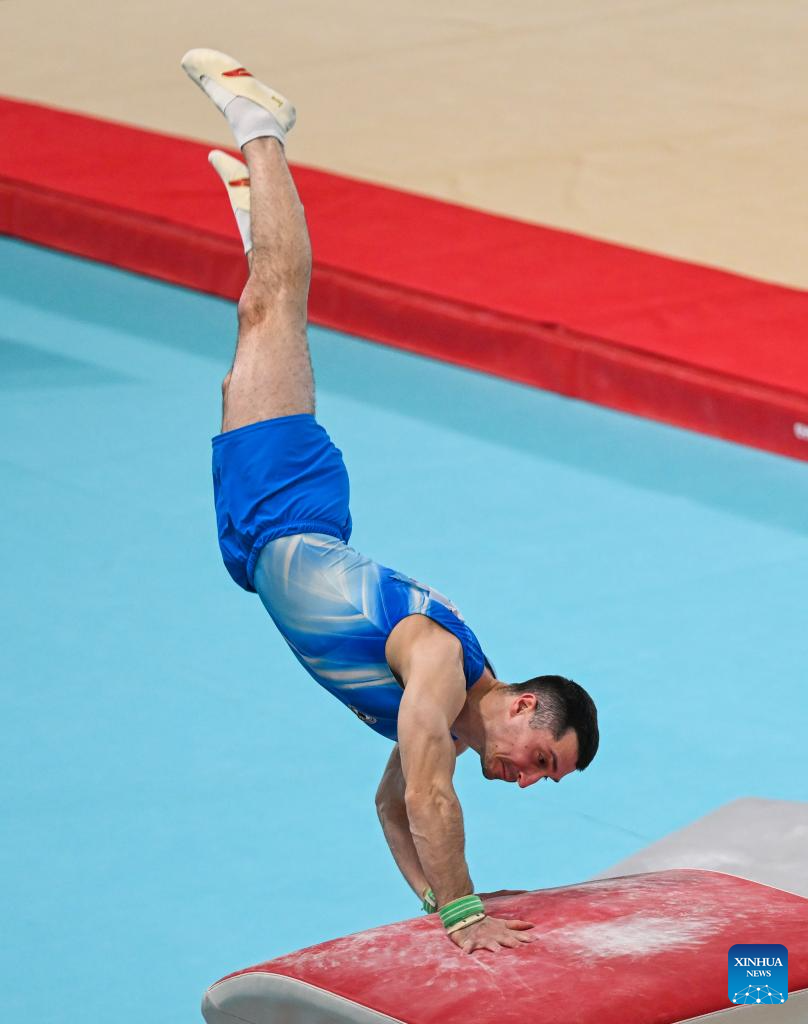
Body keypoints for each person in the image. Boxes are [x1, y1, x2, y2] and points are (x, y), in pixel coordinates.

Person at [181, 48, 599, 954]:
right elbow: (426, 795)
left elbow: (390, 806)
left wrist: (431, 900)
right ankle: (261, 126)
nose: (530, 781)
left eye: (546, 779)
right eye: (544, 761)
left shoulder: (445, 718)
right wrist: (464, 914)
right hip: (288, 506)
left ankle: (260, 217)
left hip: (257, 543)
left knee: (256, 330)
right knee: (273, 307)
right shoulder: (440, 664)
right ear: (525, 707)